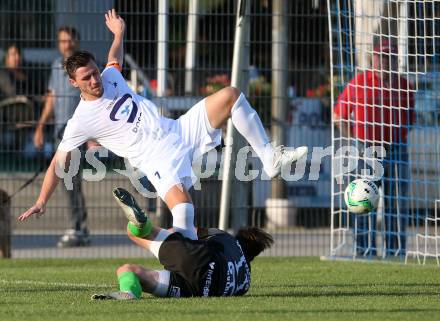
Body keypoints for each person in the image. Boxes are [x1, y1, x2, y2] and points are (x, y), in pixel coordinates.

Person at [18, 9, 308, 241]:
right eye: (87, 78)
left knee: (231, 96)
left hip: (178, 131)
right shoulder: (80, 119)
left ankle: (270, 160)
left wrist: (119, 32)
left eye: (94, 73)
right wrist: (42, 200)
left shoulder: (110, 77)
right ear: (73, 83)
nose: (95, 80)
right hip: (155, 158)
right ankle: (183, 271)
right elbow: (59, 161)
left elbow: (114, 57)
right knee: (184, 212)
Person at [91, 187, 273, 299]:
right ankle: (129, 293)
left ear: (241, 237)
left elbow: (192, 231)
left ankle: (142, 225)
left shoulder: (226, 238)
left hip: (200, 261)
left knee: (135, 233)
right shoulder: (246, 282)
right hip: (196, 291)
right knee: (129, 271)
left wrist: (170, 237)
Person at [333, 37, 414, 257]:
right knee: (363, 200)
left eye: (391, 57)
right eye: (382, 57)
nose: (386, 61)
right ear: (373, 59)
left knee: (397, 203)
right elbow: (338, 115)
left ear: (397, 60)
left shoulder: (404, 85)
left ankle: (395, 252)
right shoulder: (359, 82)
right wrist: (356, 141)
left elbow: (410, 119)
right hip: (366, 150)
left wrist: (398, 137)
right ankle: (364, 249)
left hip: (396, 148)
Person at [33, 26, 90, 247]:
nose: (67, 45)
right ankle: (79, 227)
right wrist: (40, 126)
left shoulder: (84, 67)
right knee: (68, 180)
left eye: (70, 41)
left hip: (78, 132)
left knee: (71, 179)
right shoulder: (57, 66)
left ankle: (78, 227)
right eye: (63, 41)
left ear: (77, 41)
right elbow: (52, 96)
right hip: (59, 133)